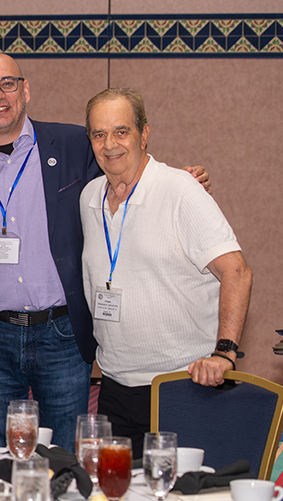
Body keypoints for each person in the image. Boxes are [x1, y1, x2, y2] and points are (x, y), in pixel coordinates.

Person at [0, 53, 209, 451]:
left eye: (8, 84)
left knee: (66, 458)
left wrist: (173, 183)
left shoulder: (73, 145)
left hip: (62, 334)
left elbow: (124, 173)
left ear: (25, 90)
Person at [80, 88, 251, 457]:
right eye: (99, 134)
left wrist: (224, 353)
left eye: (121, 131)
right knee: (118, 488)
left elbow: (237, 271)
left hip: (183, 385)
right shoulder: (89, 197)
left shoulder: (180, 189)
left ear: (144, 134)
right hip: (114, 386)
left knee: (183, 490)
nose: (110, 145)